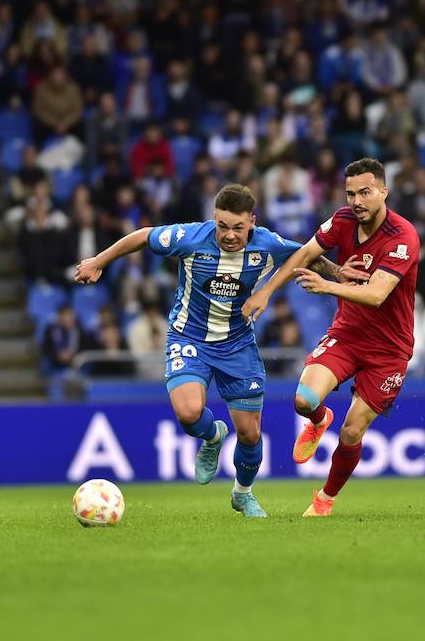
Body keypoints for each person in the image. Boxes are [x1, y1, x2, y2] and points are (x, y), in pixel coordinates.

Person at [76, 184, 358, 518]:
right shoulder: (193, 238)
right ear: (214, 218)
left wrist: (338, 273)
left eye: (238, 227)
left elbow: (307, 253)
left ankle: (243, 494)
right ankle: (212, 436)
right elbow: (144, 235)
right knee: (189, 412)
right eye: (223, 226)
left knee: (251, 433)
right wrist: (99, 260)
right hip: (189, 337)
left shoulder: (267, 243)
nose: (229, 235)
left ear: (252, 221)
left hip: (238, 344)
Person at [241, 158, 420, 518]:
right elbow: (304, 253)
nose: (357, 201)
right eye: (351, 193)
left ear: (384, 191)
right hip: (349, 333)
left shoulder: (403, 237)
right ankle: (320, 419)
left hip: (390, 349)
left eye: (365, 192)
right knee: (304, 400)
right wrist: (265, 292)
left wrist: (329, 284)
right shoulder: (342, 221)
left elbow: (377, 294)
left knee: (353, 432)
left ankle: (325, 499)